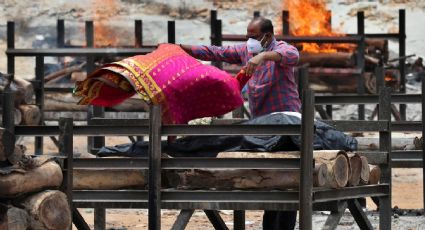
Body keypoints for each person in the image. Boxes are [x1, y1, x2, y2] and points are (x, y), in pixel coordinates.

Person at [180, 16, 300, 230]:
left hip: (286, 123)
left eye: (254, 37)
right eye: (248, 37)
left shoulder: (280, 49)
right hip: (262, 125)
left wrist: (263, 56)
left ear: (268, 37)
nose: (250, 41)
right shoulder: (246, 50)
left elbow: (292, 55)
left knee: (287, 181)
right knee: (270, 180)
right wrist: (181, 48)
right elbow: (216, 52)